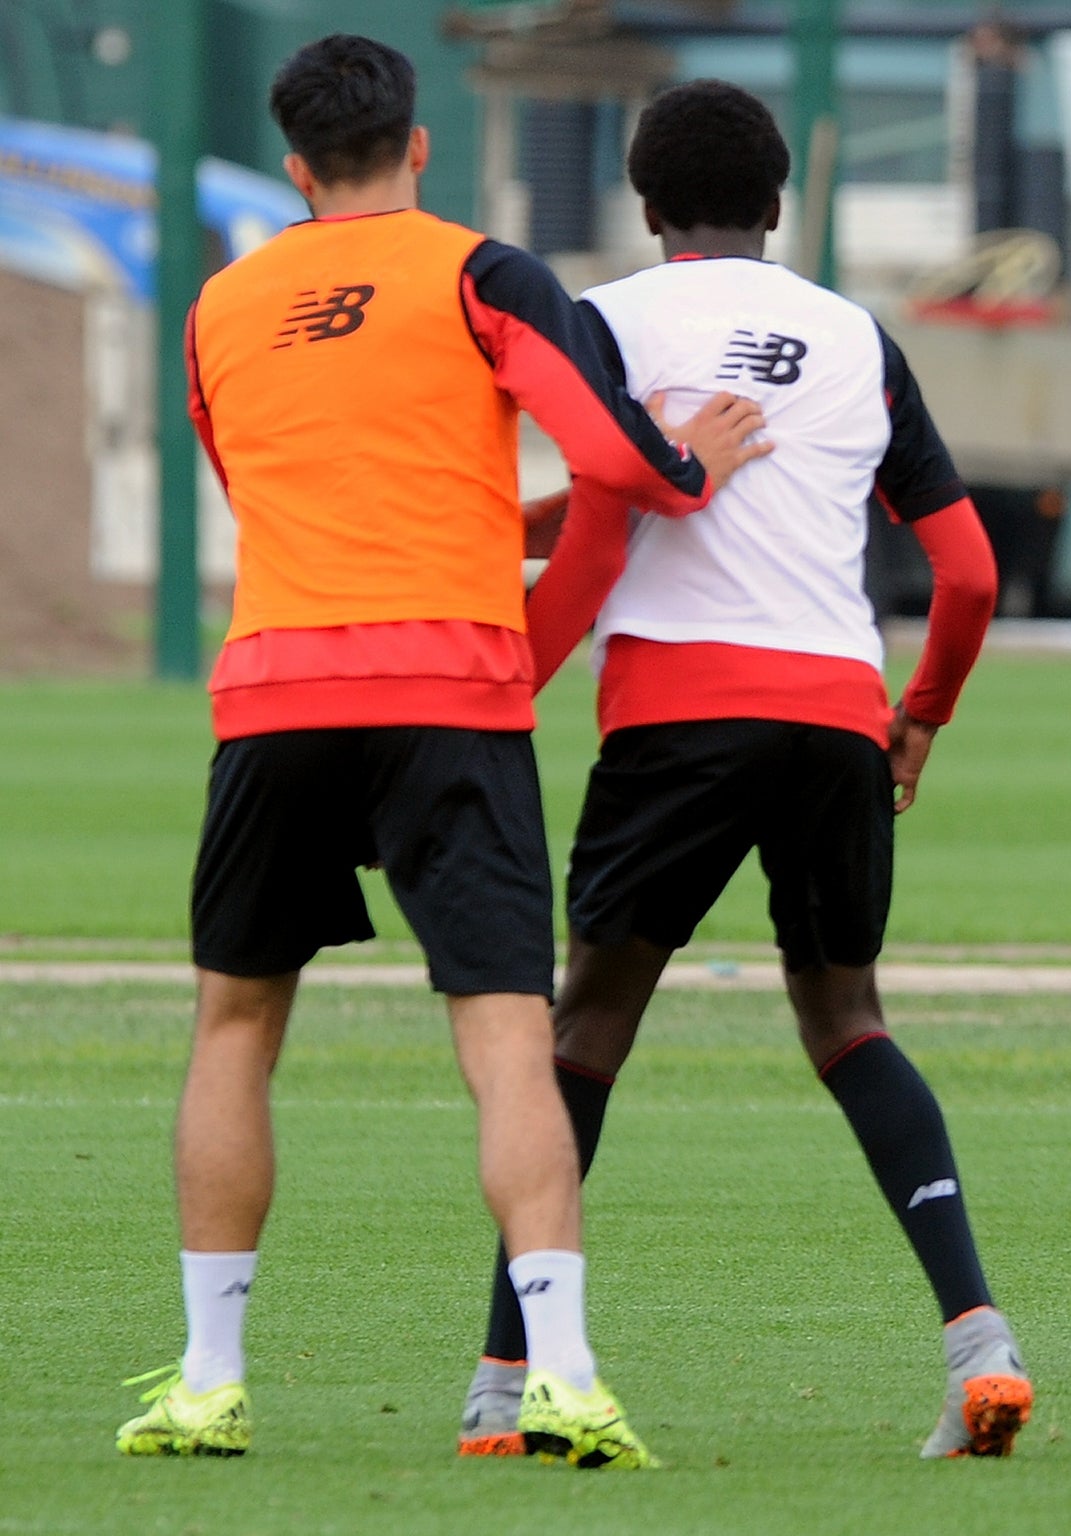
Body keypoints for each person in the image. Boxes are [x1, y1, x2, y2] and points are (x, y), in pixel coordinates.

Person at [115, 34, 768, 1466]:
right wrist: (690, 468)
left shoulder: (223, 302)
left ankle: (209, 1380)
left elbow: (255, 481)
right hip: (448, 697)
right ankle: (566, 1379)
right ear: (419, 148)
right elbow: (608, 463)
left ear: (295, 170)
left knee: (234, 1030)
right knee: (504, 1040)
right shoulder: (481, 272)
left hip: (277, 693)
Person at [453, 80, 1030, 1459]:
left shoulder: (605, 321)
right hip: (834, 717)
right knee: (848, 1020)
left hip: (676, 718)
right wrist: (923, 715)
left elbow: (605, 531)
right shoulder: (854, 336)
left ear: (645, 210)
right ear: (779, 208)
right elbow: (967, 569)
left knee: (581, 1030)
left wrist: (503, 685)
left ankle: (498, 1384)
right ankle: (979, 1343)